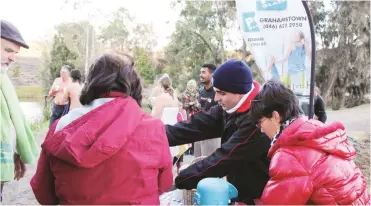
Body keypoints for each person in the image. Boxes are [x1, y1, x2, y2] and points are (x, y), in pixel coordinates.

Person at [31, 53, 173, 205]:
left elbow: (44, 195)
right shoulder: (153, 128)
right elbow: (164, 184)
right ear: (134, 87)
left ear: (91, 83)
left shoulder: (59, 127)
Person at [166, 59, 271, 204]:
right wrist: (157, 134)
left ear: (240, 93)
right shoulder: (229, 107)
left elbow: (223, 159)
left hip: (262, 196)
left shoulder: (257, 120)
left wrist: (179, 180)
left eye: (221, 93)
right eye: (216, 92)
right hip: (240, 191)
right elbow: (196, 125)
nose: (216, 98)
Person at [249, 80, 370, 205]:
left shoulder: (290, 155)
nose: (262, 130)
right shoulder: (317, 131)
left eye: (260, 122)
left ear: (275, 116)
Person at [0, 20, 39, 202]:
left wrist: (12, 153)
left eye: (15, 53)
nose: (13, 58)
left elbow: (6, 122)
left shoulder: (3, 80)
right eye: (8, 50)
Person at [194, 63, 221, 158]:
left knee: (209, 167)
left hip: (211, 135)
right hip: (198, 133)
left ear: (212, 75)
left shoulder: (217, 92)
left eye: (203, 72)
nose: (200, 75)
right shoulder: (200, 91)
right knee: (197, 163)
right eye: (200, 72)